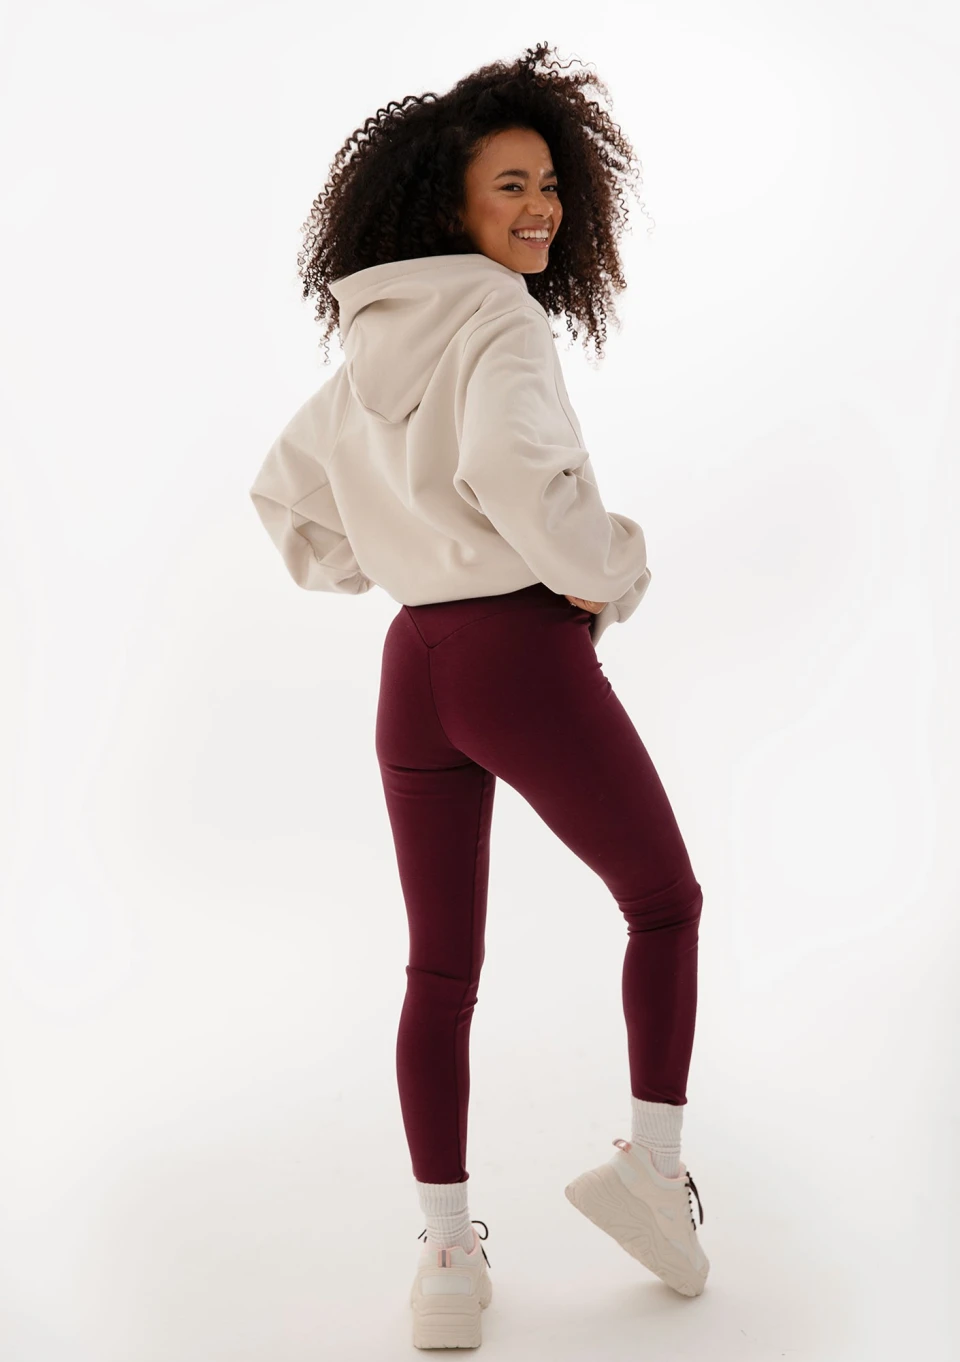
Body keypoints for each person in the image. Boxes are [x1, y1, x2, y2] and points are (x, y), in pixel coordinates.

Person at [249, 41, 708, 1349]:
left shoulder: (375, 339)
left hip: (415, 671)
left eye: (551, 184)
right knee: (664, 903)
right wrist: (611, 569)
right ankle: (654, 1175)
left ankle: (447, 1257)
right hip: (518, 657)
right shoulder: (500, 319)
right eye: (512, 184)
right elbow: (516, 476)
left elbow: (286, 495)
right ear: (448, 202)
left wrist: (398, 557)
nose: (542, 208)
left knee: (439, 967)